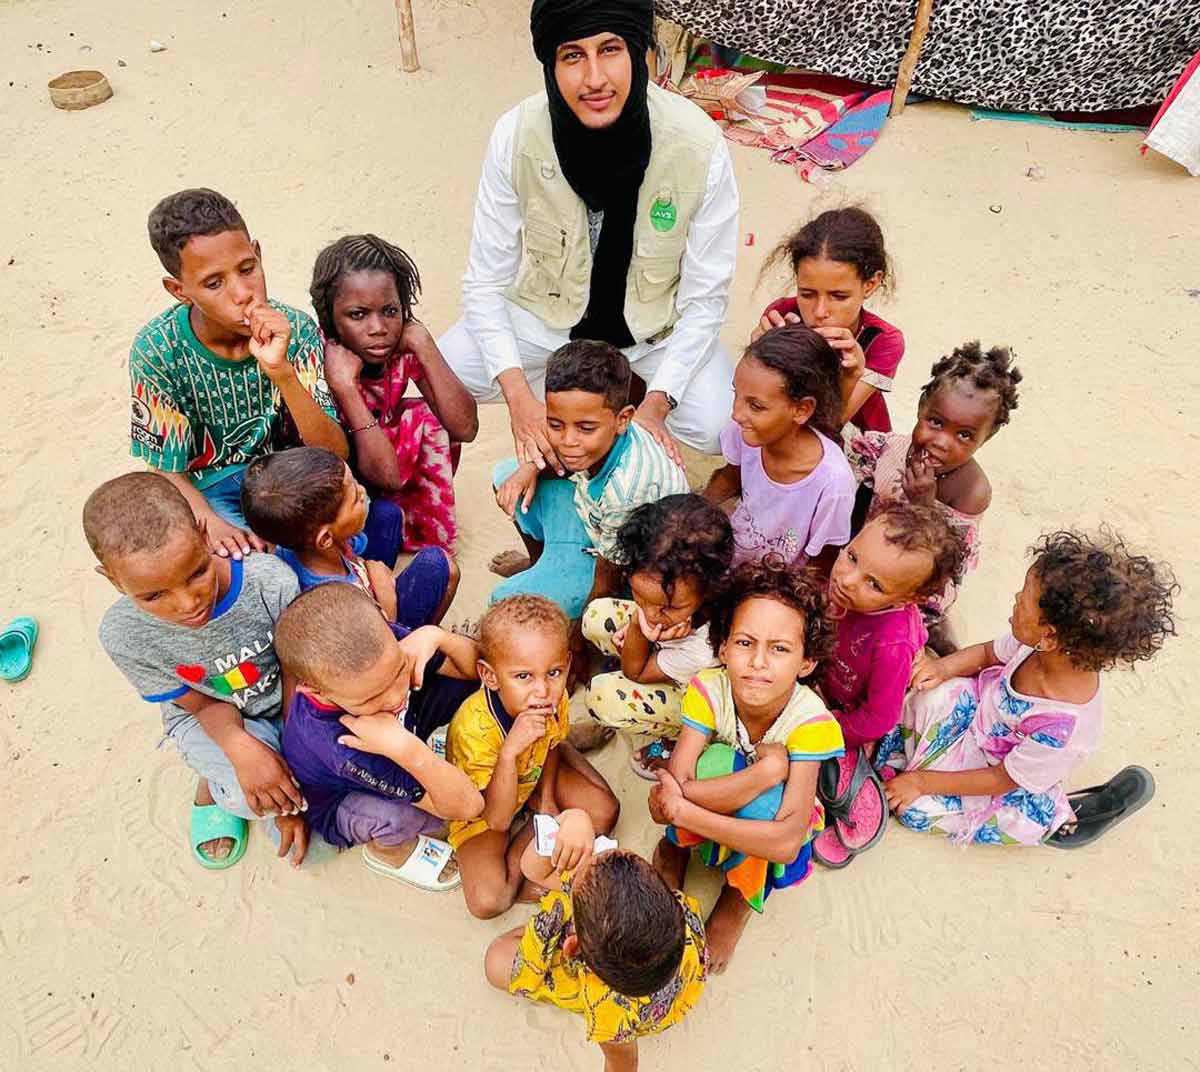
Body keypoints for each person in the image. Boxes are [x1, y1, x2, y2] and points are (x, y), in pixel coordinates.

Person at [439, 0, 740, 466]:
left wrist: (656, 408)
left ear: (639, 53)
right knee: (441, 376)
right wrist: (521, 401)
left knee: (721, 427)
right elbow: (485, 284)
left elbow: (705, 300)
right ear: (551, 65)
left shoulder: (698, 145)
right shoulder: (516, 135)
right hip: (547, 321)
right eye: (573, 56)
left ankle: (627, 392)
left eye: (610, 49)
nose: (595, 78)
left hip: (653, 331)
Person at [880, 529, 1176, 846]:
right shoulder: (1036, 645)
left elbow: (1002, 778)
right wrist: (942, 667)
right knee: (928, 695)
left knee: (915, 811)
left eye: (1025, 599)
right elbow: (986, 654)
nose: (1017, 599)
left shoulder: (1063, 729)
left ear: (1049, 636)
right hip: (978, 721)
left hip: (999, 777)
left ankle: (1062, 820)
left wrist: (922, 782)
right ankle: (913, 763)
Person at [86, 472, 308, 871]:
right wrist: (238, 746)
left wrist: (296, 746)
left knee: (312, 784)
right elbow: (197, 702)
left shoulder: (269, 582)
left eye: (196, 573)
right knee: (250, 796)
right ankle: (214, 785)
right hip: (207, 714)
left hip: (286, 698)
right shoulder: (123, 635)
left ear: (205, 537)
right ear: (113, 581)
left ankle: (231, 774)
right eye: (154, 595)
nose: (188, 603)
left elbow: (298, 670)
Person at [130, 188, 347, 559]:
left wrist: (282, 372)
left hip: (286, 477)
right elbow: (165, 468)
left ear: (258, 254)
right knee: (252, 569)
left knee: (346, 539)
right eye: (214, 283)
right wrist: (208, 521)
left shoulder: (295, 329)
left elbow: (334, 455)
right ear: (179, 291)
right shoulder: (157, 351)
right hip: (207, 491)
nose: (243, 293)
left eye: (248, 269)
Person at [649, 562, 844, 973]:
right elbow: (661, 801)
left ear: (806, 663)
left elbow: (787, 841)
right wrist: (763, 771)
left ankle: (739, 897)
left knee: (769, 808)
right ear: (722, 649)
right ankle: (675, 846)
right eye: (744, 642)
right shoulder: (710, 686)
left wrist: (684, 808)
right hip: (725, 789)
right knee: (715, 762)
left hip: (759, 813)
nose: (758, 662)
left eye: (780, 648)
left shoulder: (810, 721)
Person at [274, 584, 481, 889]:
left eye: (399, 671)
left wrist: (437, 637)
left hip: (391, 740)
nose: (397, 696)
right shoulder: (343, 748)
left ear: (383, 621)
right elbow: (468, 807)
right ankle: (389, 851)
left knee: (463, 689)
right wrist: (409, 751)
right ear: (314, 690)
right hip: (341, 799)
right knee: (404, 819)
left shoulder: (376, 650)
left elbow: (474, 669)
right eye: (372, 697)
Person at [484, 809, 707, 1072]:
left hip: (622, 1001)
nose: (595, 852)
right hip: (670, 974)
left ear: (573, 945)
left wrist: (566, 823)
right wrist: (576, 818)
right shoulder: (680, 912)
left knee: (496, 962)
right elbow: (532, 869)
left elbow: (622, 1065)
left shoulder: (609, 1013)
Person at [491, 341, 688, 628]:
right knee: (508, 477)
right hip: (596, 519)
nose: (568, 440)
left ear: (623, 419)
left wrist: (580, 635)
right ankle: (541, 562)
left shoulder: (628, 488)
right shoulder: (606, 436)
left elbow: (609, 572)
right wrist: (529, 469)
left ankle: (567, 598)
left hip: (621, 563)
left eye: (585, 428)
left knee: (503, 602)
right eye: (555, 424)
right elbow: (563, 450)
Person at [446, 595, 620, 919]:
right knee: (489, 901)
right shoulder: (474, 732)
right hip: (487, 809)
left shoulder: (553, 696)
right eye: (523, 676)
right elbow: (496, 820)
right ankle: (527, 862)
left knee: (606, 811)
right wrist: (510, 752)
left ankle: (537, 826)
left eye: (554, 672)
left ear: (566, 665)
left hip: (534, 775)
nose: (542, 690)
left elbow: (549, 749)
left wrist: (548, 802)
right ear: (490, 676)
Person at [812, 502, 966, 868]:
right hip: (827, 683)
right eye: (852, 557)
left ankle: (858, 810)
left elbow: (879, 719)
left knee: (825, 766)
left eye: (874, 584)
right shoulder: (844, 594)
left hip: (859, 721)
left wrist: (826, 728)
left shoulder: (891, 646)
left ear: (908, 599)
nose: (848, 579)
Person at [847, 340, 1022, 651]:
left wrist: (923, 507)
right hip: (865, 558)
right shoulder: (888, 450)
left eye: (964, 435)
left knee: (915, 640)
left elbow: (946, 566)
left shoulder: (971, 490)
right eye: (936, 422)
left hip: (915, 579)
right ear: (921, 409)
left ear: (987, 438)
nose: (942, 442)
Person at [310, 234, 478, 555]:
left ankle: (425, 531)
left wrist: (424, 345)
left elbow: (465, 428)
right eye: (358, 314)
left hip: (383, 465)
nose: (378, 327)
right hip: (338, 475)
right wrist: (345, 388)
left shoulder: (401, 345)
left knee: (426, 416)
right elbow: (385, 477)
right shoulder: (320, 359)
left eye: (390, 310)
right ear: (329, 316)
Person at [582, 494, 732, 777]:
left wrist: (639, 628)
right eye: (639, 594)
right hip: (667, 649)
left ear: (708, 591)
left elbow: (634, 672)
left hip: (696, 697)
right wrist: (654, 617)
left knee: (602, 697)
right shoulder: (676, 601)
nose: (651, 613)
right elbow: (652, 610)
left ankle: (684, 740)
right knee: (596, 616)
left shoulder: (703, 649)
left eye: (667, 606)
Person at [240, 447, 459, 630]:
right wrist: (385, 594)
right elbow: (377, 644)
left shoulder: (298, 545)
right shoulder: (336, 600)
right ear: (325, 538)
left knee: (386, 514)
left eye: (354, 482)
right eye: (354, 499)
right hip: (377, 634)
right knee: (442, 565)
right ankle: (424, 657)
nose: (363, 491)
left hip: (358, 574)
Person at [703, 326, 856, 570]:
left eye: (755, 405)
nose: (736, 413)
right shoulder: (746, 431)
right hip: (728, 564)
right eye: (737, 394)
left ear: (802, 409)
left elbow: (822, 564)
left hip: (774, 592)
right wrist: (690, 520)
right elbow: (728, 478)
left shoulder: (834, 485)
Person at [753, 207, 901, 433]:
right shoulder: (781, 315)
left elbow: (831, 425)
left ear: (870, 284)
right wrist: (756, 356)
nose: (820, 311)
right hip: (783, 428)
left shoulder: (881, 340)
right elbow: (756, 400)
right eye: (807, 294)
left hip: (849, 436)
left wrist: (851, 375)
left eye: (839, 296)